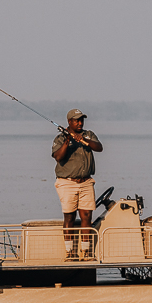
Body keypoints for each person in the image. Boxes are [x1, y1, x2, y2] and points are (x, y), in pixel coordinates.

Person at [51, 109, 103, 259]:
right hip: (67, 182)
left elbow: (99, 147)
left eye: (81, 120)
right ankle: (70, 252)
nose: (80, 123)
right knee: (70, 217)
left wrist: (82, 140)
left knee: (87, 216)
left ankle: (86, 252)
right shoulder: (60, 138)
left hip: (86, 181)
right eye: (76, 120)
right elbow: (58, 157)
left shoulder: (88, 134)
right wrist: (68, 141)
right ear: (69, 122)